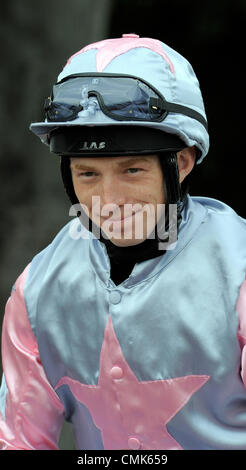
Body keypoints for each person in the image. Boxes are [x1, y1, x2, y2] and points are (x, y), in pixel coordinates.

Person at [0, 33, 246, 451]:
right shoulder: (38, 289)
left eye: (132, 171)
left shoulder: (239, 269)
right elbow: (18, 440)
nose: (109, 201)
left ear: (181, 162)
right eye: (88, 174)